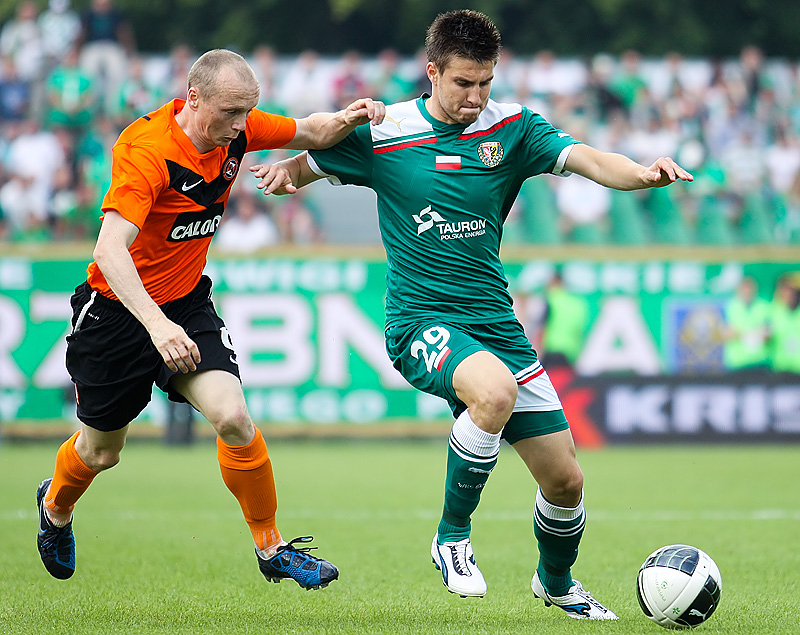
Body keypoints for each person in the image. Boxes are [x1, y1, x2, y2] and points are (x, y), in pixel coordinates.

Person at [253, 10, 693, 619]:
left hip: (496, 325)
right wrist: (288, 173)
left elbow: (589, 158)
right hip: (420, 321)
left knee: (565, 482)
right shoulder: (387, 131)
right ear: (432, 71)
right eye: (463, 82)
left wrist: (641, 174)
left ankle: (556, 582)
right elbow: (319, 155)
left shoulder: (512, 129)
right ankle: (451, 538)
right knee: (491, 392)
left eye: (485, 81)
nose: (475, 96)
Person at [35, 49, 385, 589]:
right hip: (117, 313)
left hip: (187, 305)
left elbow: (311, 133)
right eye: (230, 113)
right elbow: (109, 250)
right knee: (102, 452)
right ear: (194, 99)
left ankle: (272, 549)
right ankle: (55, 507)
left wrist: (346, 117)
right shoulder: (146, 148)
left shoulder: (236, 128)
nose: (242, 126)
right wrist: (155, 325)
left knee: (234, 418)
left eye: (249, 112)